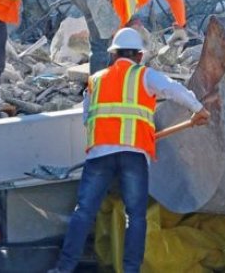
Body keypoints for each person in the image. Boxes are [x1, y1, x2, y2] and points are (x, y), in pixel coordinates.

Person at [49, 28, 211, 273]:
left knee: (83, 212)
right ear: (138, 55)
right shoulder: (144, 75)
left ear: (113, 55)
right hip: (134, 155)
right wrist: (198, 109)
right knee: (134, 217)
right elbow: (173, 90)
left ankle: (63, 268)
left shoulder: (96, 80)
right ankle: (131, 270)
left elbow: (87, 117)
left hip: (100, 154)